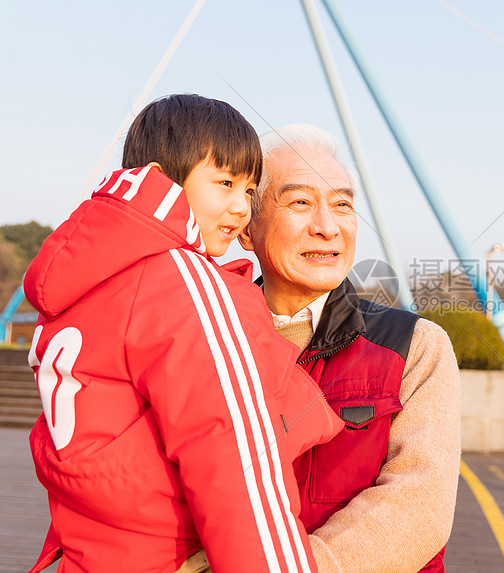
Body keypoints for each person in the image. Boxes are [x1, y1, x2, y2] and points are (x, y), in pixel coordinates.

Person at [24, 95, 342, 573]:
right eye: (225, 183)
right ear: (158, 178)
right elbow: (237, 462)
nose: (241, 208)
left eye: (249, 190)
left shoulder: (88, 280)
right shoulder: (182, 280)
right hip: (170, 555)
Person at [239, 124, 461, 572]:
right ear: (247, 228)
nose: (327, 227)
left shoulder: (414, 347)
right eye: (300, 202)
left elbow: (419, 505)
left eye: (342, 205)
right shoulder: (208, 339)